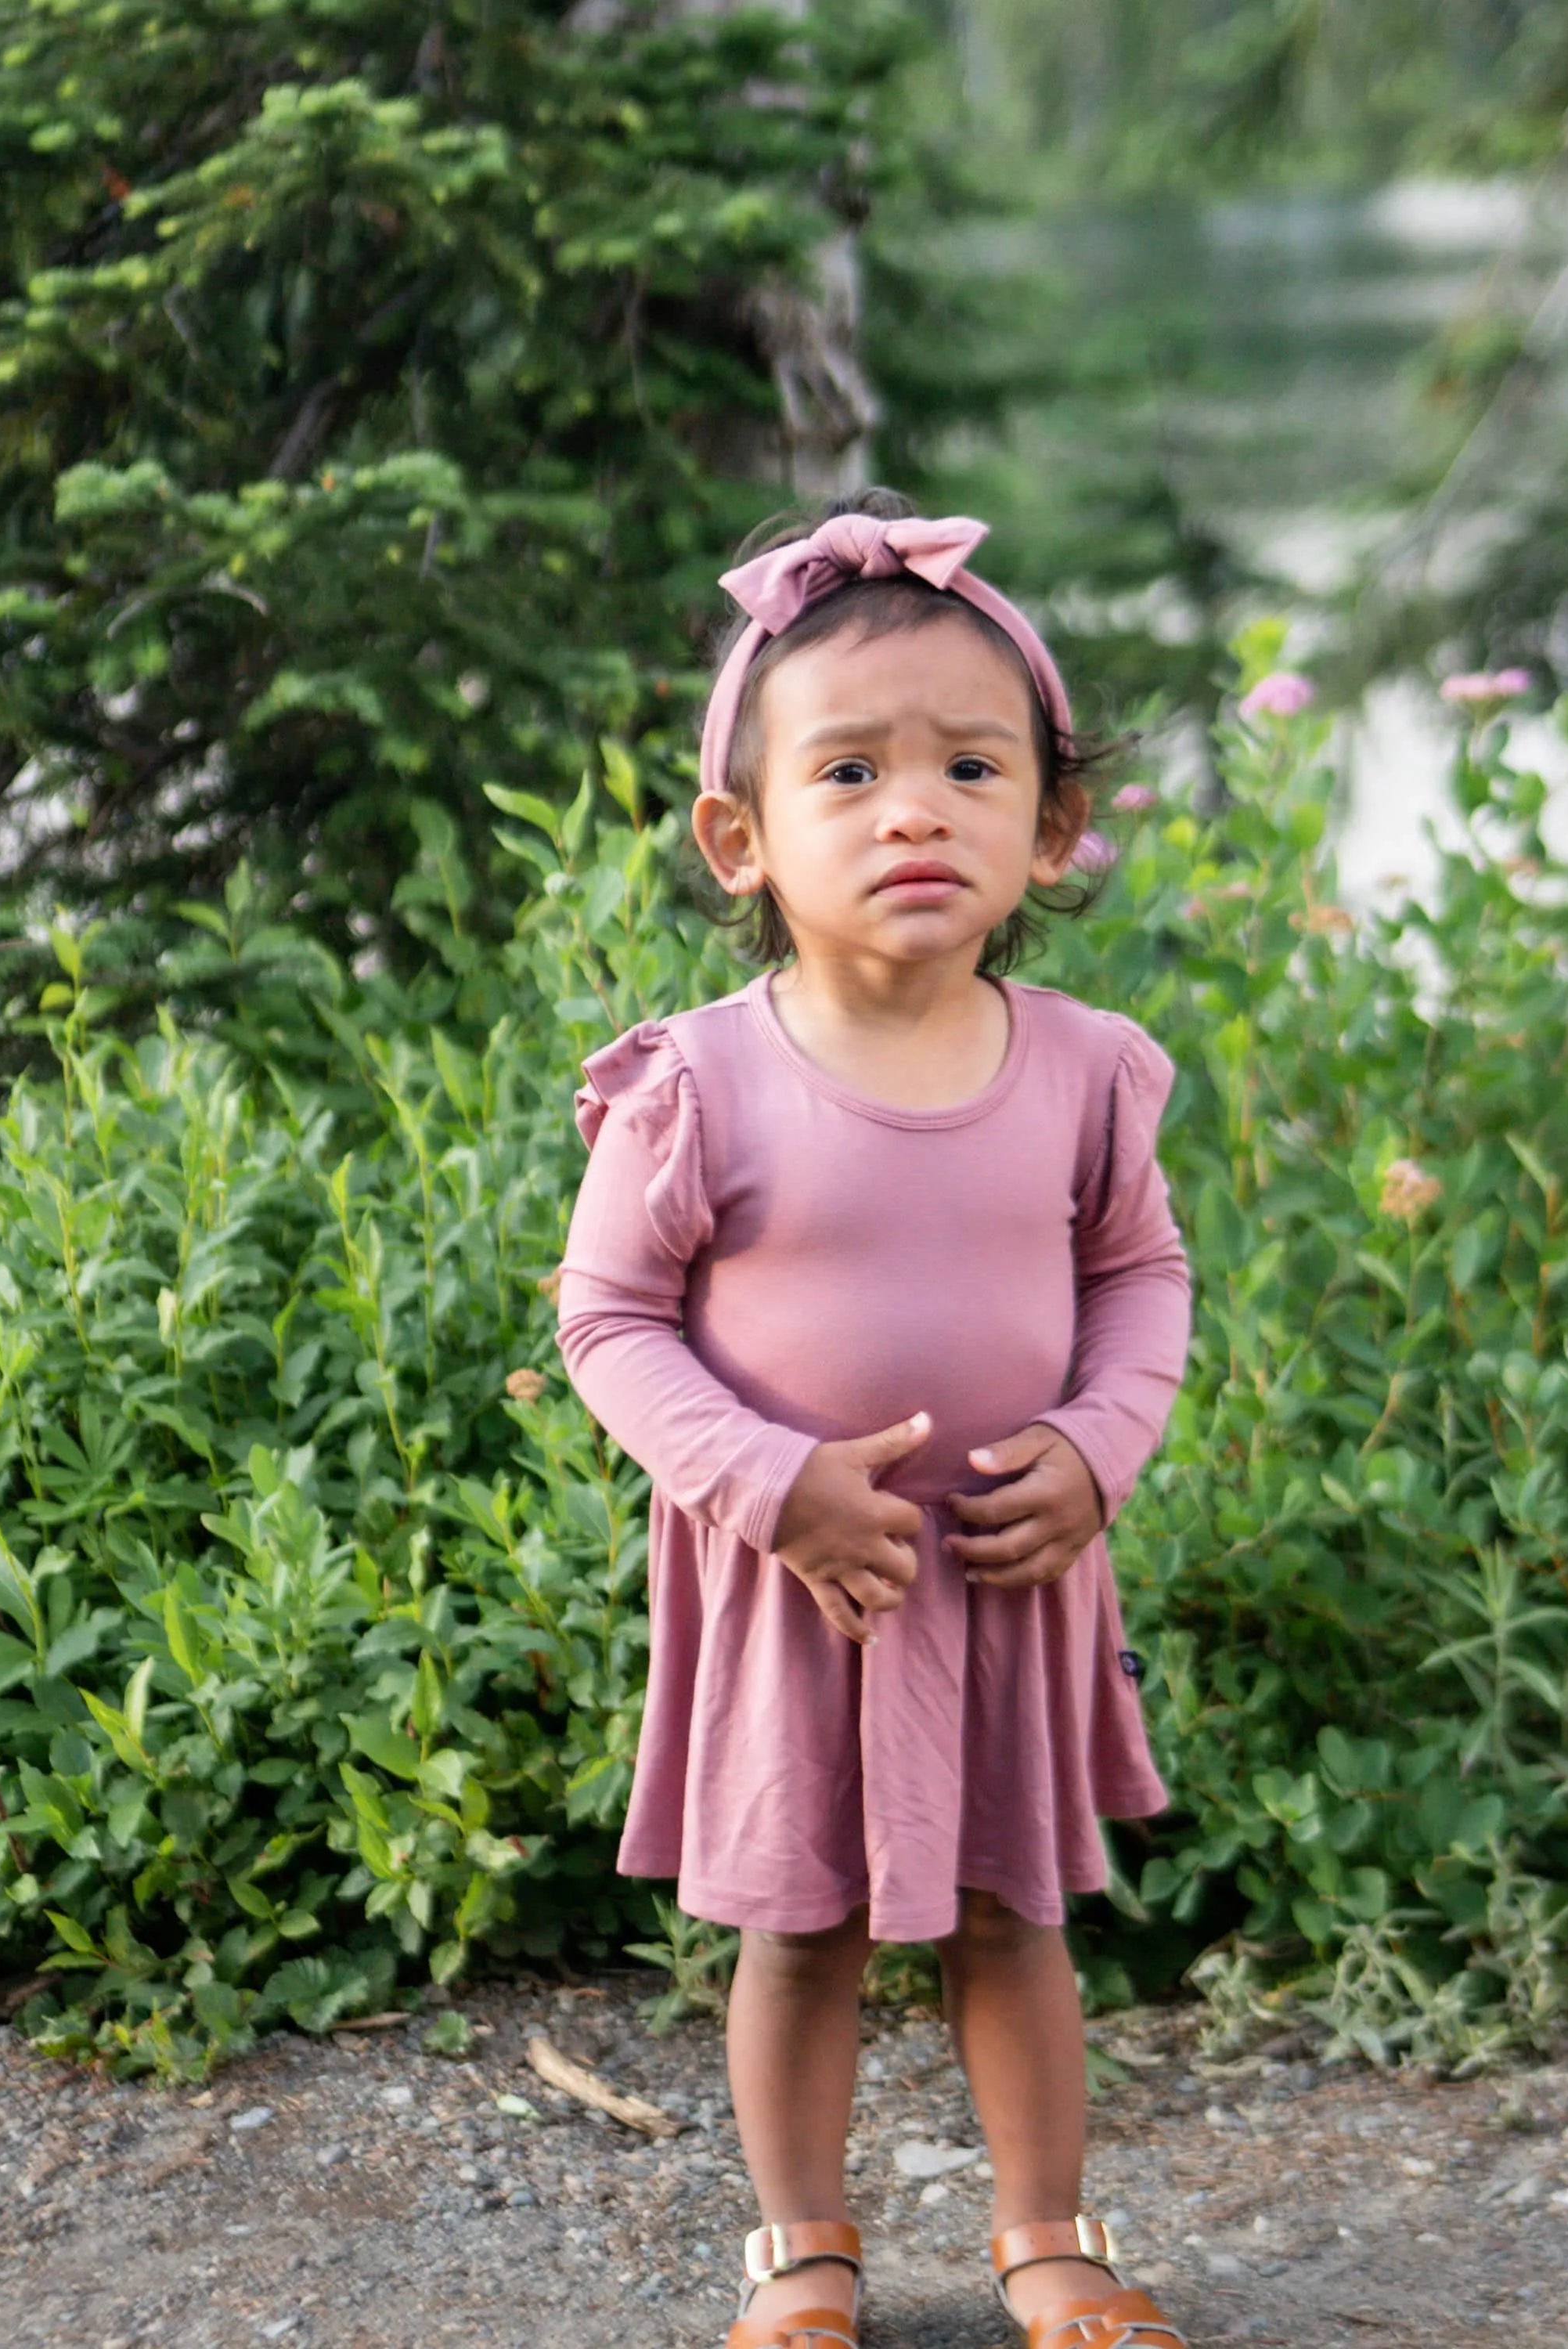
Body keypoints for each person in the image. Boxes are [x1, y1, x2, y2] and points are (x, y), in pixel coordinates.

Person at [556, 493, 1194, 2349]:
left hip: (1005, 1567)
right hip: (801, 1583)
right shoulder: (703, 1084)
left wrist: (1097, 1448)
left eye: (970, 768)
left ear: (1053, 831)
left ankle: (1047, 2234)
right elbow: (608, 1319)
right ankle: (803, 2250)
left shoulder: (1083, 1071)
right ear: (741, 841)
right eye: (848, 771)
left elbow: (1145, 1280)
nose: (914, 808)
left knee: (1019, 1918)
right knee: (802, 1928)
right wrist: (763, 1484)